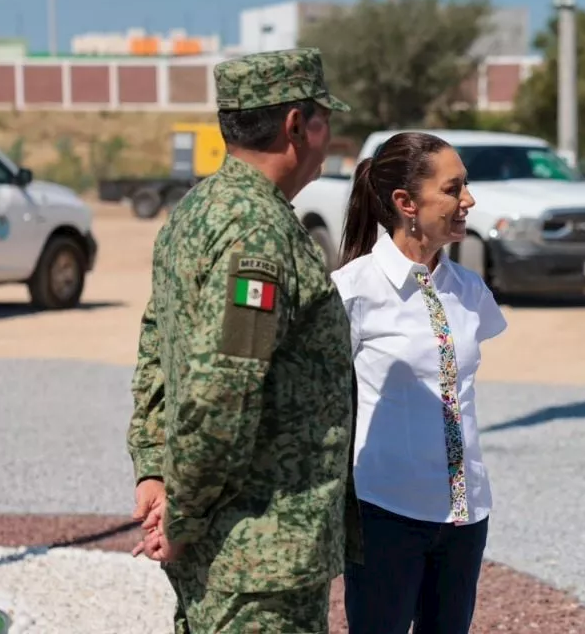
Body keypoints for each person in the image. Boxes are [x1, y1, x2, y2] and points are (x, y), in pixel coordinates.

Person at [125, 47, 362, 633]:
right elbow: (220, 395)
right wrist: (180, 516)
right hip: (258, 560)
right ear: (294, 126)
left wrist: (154, 470)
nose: (329, 135)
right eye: (323, 118)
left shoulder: (198, 210)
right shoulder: (259, 234)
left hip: (233, 551)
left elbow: (158, 347)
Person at [332, 131, 507, 634]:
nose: (468, 200)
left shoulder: (470, 290)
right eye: (454, 189)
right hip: (386, 513)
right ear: (405, 203)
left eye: (466, 186)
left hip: (466, 513)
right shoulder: (352, 292)